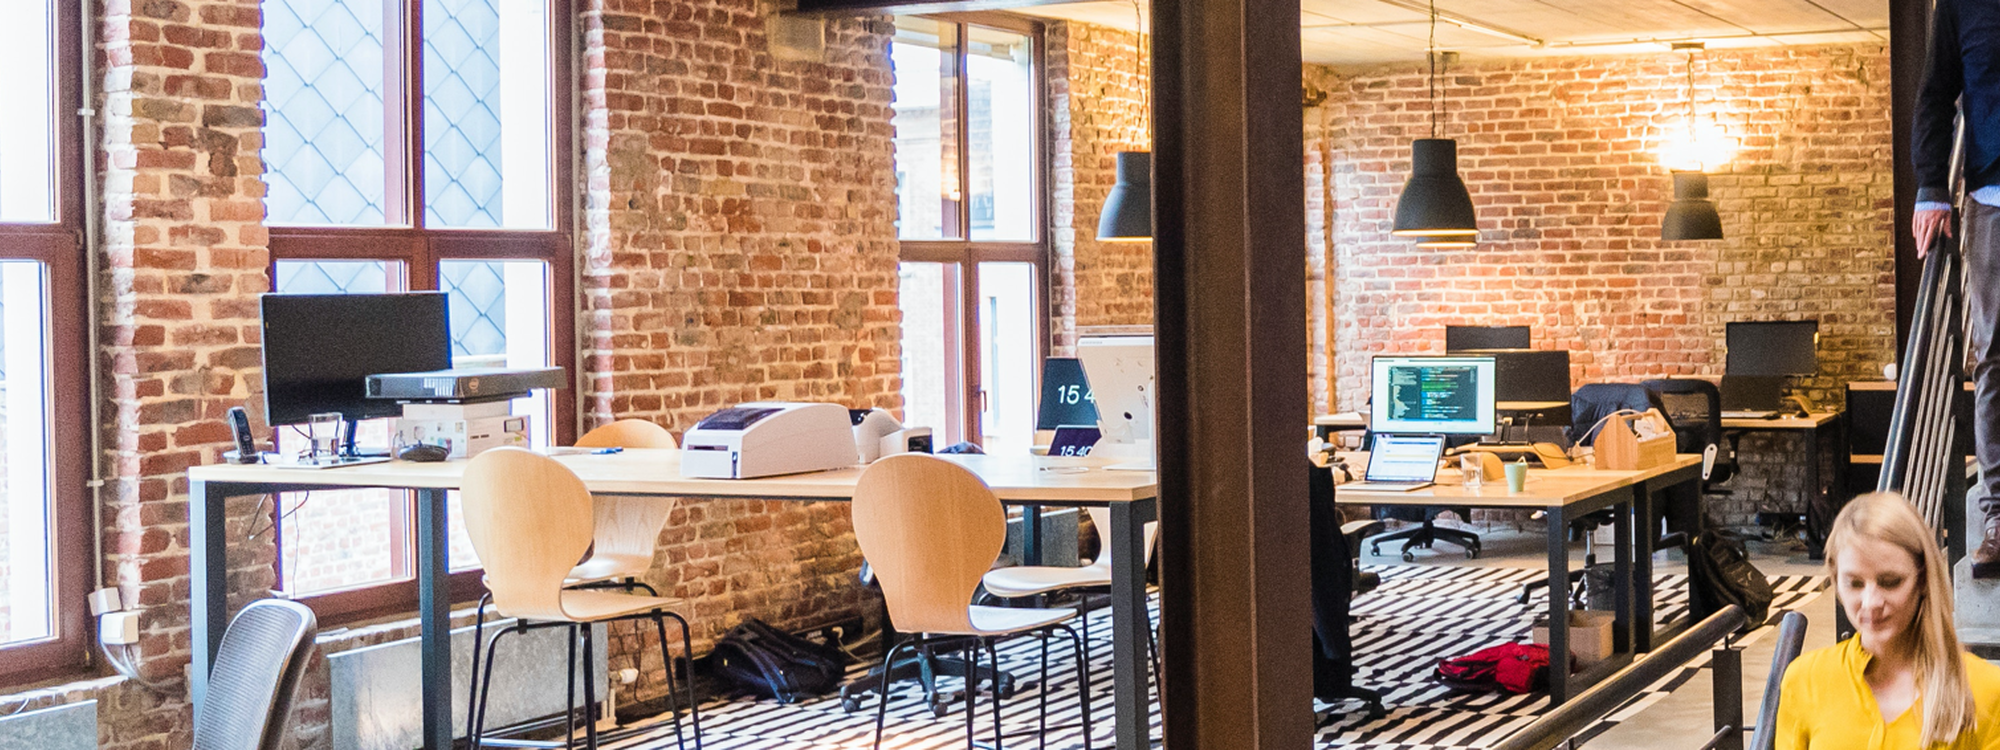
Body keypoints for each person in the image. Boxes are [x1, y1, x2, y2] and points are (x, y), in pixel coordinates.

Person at [1775, 493, 2000, 749]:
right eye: (1855, 584)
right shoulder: (1805, 680)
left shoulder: (1985, 691)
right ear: (1836, 582)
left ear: (1923, 580)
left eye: (1890, 582)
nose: (1871, 602)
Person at [1913, 0, 2000, 577]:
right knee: (1994, 358)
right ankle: (1998, 517)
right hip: (1993, 203)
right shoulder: (1963, 6)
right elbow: (1935, 94)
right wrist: (1930, 187)